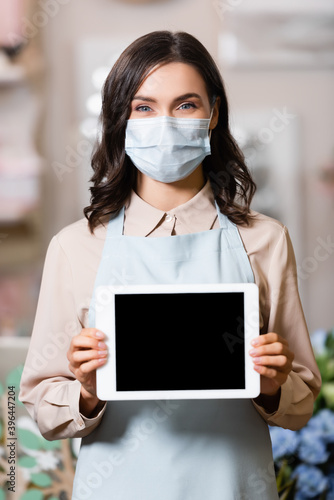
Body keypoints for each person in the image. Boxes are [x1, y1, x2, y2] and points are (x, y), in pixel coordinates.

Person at [20, 31, 321, 499]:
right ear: (121, 118)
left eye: (185, 105)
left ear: (213, 113)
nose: (164, 123)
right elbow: (40, 406)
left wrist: (270, 386)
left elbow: (301, 403)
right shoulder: (75, 246)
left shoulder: (265, 240)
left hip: (234, 486)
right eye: (144, 107)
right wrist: (87, 391)